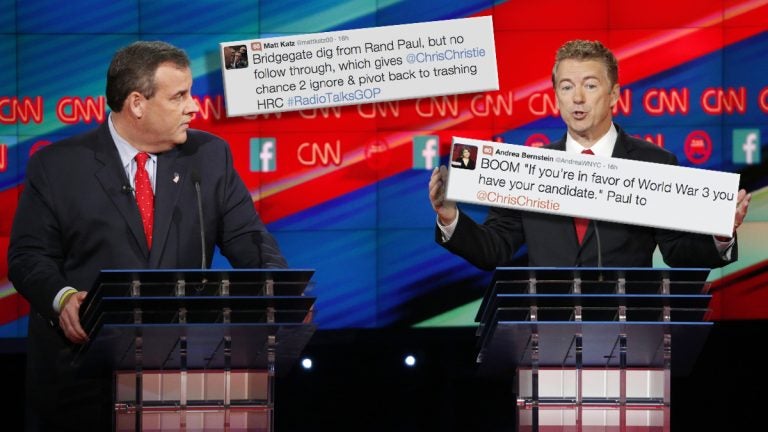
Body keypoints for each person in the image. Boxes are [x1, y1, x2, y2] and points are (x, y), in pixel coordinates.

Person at [8, 41, 287, 431]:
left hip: (178, 374)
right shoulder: (57, 167)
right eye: (179, 96)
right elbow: (28, 256)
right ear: (137, 103)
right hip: (82, 377)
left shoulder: (209, 156)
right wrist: (63, 298)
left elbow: (248, 238)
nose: (194, 107)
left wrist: (279, 290)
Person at [429, 39, 751, 270]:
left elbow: (677, 252)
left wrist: (720, 235)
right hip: (547, 340)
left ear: (614, 95)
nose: (578, 98)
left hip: (631, 339)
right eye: (567, 87)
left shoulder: (654, 164)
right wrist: (450, 217)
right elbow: (494, 249)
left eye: (591, 85)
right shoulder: (527, 172)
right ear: (556, 97)